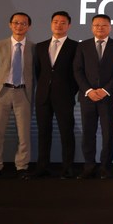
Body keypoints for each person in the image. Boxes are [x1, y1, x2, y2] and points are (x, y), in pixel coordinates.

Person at [73, 14, 113, 179]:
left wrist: (105, 90)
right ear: (91, 27)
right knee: (88, 133)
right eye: (96, 25)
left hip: (108, 98)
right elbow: (77, 70)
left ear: (110, 27)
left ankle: (105, 167)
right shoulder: (83, 46)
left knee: (108, 134)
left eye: (104, 25)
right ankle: (89, 166)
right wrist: (88, 90)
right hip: (88, 97)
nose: (100, 28)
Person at [0, 12, 35, 179]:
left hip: (23, 93)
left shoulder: (33, 48)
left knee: (24, 133)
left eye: (23, 23)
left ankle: (22, 166)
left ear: (28, 26)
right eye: (16, 23)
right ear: (10, 25)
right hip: (2, 93)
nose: (19, 26)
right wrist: (2, 84)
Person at [33, 11, 78, 179]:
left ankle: (68, 168)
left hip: (65, 96)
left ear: (69, 25)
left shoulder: (75, 47)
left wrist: (69, 91)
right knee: (43, 132)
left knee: (67, 132)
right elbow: (39, 71)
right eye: (56, 22)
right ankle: (42, 166)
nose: (59, 25)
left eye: (63, 22)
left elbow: (76, 73)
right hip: (43, 96)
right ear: (51, 24)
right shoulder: (40, 46)